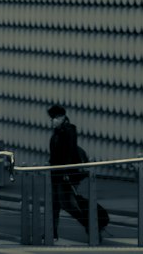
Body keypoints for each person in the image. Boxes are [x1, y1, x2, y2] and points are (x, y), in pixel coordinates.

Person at [47, 103, 109, 241]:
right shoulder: (57, 133)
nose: (52, 121)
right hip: (55, 175)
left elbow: (69, 152)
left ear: (62, 117)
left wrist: (67, 172)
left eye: (55, 118)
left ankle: (92, 226)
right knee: (55, 204)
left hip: (65, 175)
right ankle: (52, 233)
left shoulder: (69, 131)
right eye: (51, 118)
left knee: (68, 204)